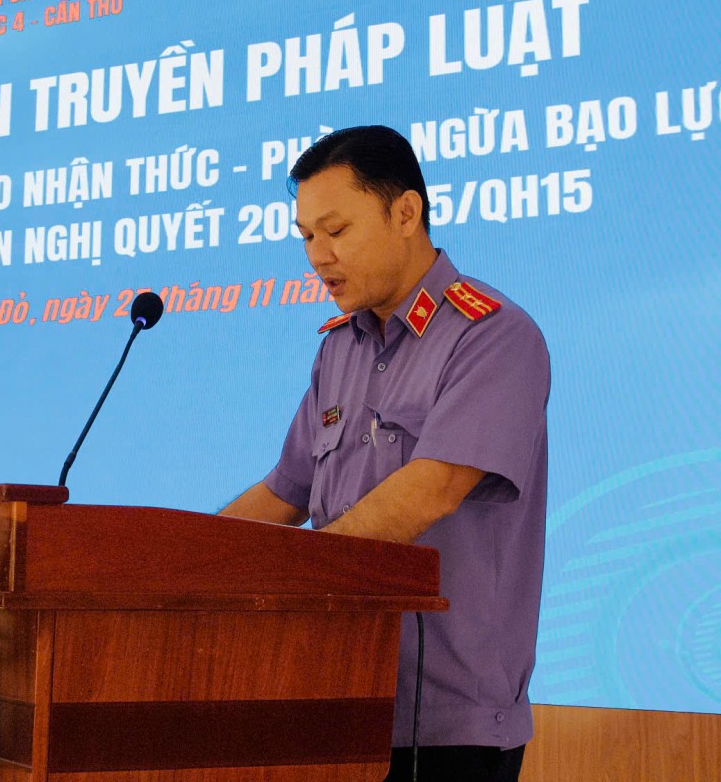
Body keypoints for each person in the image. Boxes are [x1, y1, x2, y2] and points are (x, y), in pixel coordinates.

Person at [219, 125, 549, 782]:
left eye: (336, 231)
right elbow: (285, 493)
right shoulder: (339, 348)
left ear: (405, 213)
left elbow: (430, 490)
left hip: (448, 727)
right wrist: (177, 565)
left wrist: (297, 580)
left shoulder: (492, 336)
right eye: (305, 236)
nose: (318, 256)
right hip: (338, 698)